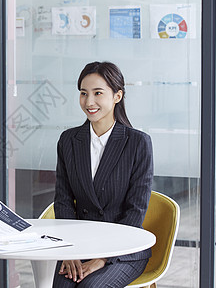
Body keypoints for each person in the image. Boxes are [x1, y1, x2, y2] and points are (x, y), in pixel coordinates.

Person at [53, 61, 153, 287]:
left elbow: (136, 209)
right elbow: (63, 201)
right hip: (80, 245)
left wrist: (103, 258)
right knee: (63, 285)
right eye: (83, 93)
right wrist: (70, 251)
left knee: (91, 286)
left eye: (98, 93)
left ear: (117, 96)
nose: (89, 102)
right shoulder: (68, 140)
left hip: (125, 248)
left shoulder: (138, 143)